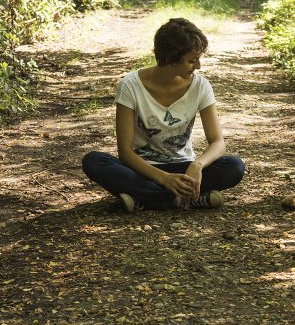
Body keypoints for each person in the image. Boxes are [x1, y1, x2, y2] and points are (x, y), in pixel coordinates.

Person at [82, 18, 246, 212]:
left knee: (234, 166)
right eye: (192, 61)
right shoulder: (130, 86)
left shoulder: (201, 86)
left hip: (184, 168)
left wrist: (198, 165)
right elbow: (125, 152)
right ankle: (185, 199)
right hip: (143, 169)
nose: (198, 66)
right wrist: (164, 178)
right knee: (93, 161)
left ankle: (145, 198)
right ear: (171, 58)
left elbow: (218, 142)